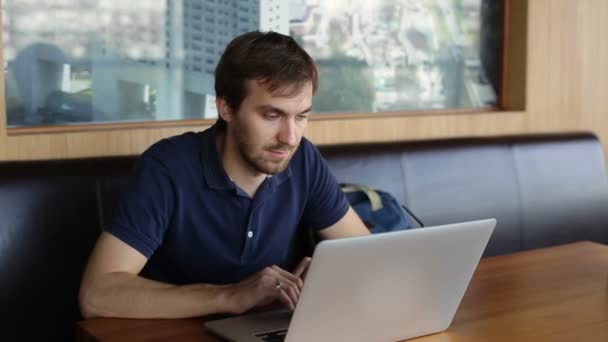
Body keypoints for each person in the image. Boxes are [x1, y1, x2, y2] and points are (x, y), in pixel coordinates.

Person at [79, 31, 369, 319]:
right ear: (226, 107)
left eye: (301, 116)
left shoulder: (303, 159)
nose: (290, 137)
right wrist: (231, 295)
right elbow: (96, 295)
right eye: (271, 116)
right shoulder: (168, 168)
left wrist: (325, 275)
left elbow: (367, 255)